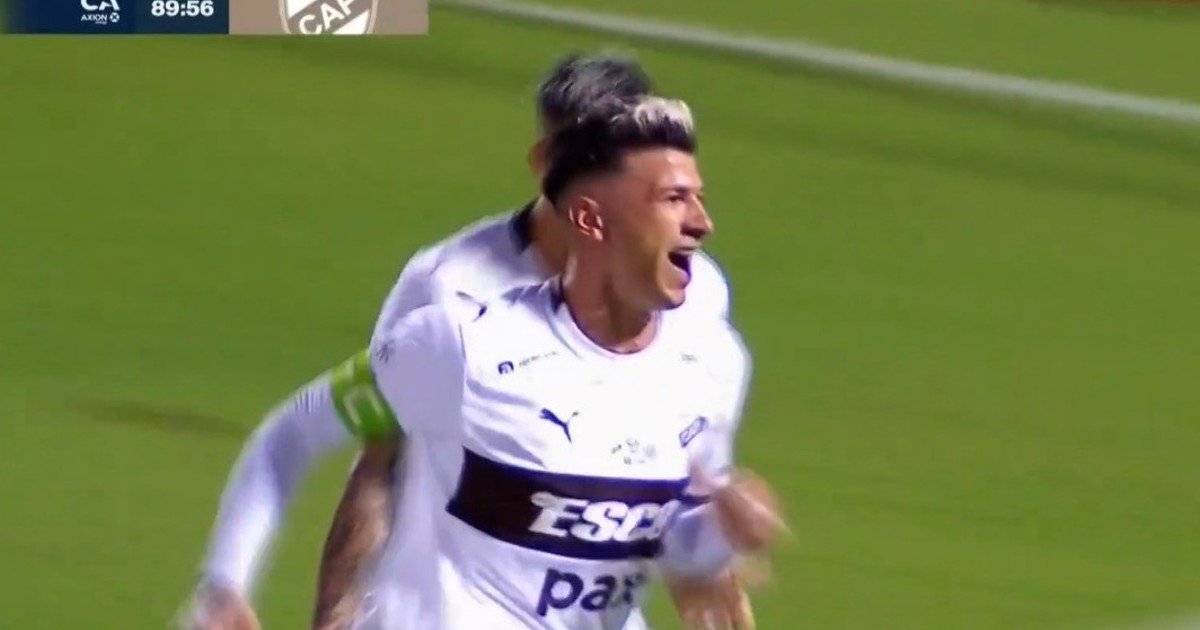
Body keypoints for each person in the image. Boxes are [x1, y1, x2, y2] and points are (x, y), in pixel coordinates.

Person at [183, 56, 752, 630]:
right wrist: (327, 614)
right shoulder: (451, 292)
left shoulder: (697, 296)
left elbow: (676, 466)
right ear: (549, 165)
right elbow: (377, 463)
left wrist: (708, 551)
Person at [311, 95, 783, 629]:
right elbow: (368, 458)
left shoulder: (701, 321)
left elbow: (676, 511)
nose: (698, 222)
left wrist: (719, 538)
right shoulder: (454, 296)